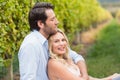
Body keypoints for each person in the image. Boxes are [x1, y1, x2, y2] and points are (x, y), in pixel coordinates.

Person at [18, 2, 88, 80]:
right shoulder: (30, 45)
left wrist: (85, 76)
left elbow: (76, 57)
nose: (57, 22)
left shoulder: (49, 39)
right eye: (52, 19)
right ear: (41, 24)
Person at [47, 29, 120, 80]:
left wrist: (109, 78)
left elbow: (87, 78)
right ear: (50, 45)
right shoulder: (53, 63)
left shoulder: (67, 59)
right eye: (56, 41)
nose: (62, 44)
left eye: (63, 40)